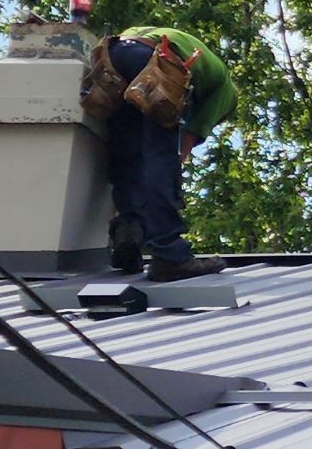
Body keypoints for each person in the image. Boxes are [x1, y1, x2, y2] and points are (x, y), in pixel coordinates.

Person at [94, 25, 236, 281]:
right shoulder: (225, 90)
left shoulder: (177, 40)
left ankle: (128, 235)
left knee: (128, 153)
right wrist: (176, 163)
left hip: (114, 55)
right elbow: (185, 143)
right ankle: (170, 256)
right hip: (156, 63)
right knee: (161, 160)